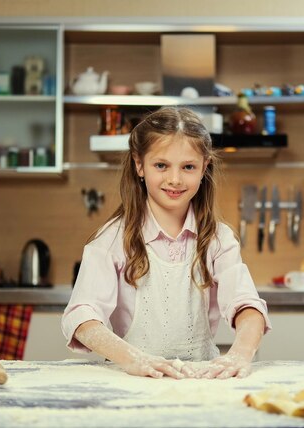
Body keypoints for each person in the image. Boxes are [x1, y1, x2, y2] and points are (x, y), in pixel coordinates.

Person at [61, 107, 271, 379]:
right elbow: (82, 316)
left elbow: (247, 307)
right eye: (161, 165)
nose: (175, 179)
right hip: (131, 379)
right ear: (139, 165)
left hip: (201, 382)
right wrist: (132, 359)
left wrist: (240, 354)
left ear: (204, 167)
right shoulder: (112, 239)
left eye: (188, 167)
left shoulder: (218, 239)